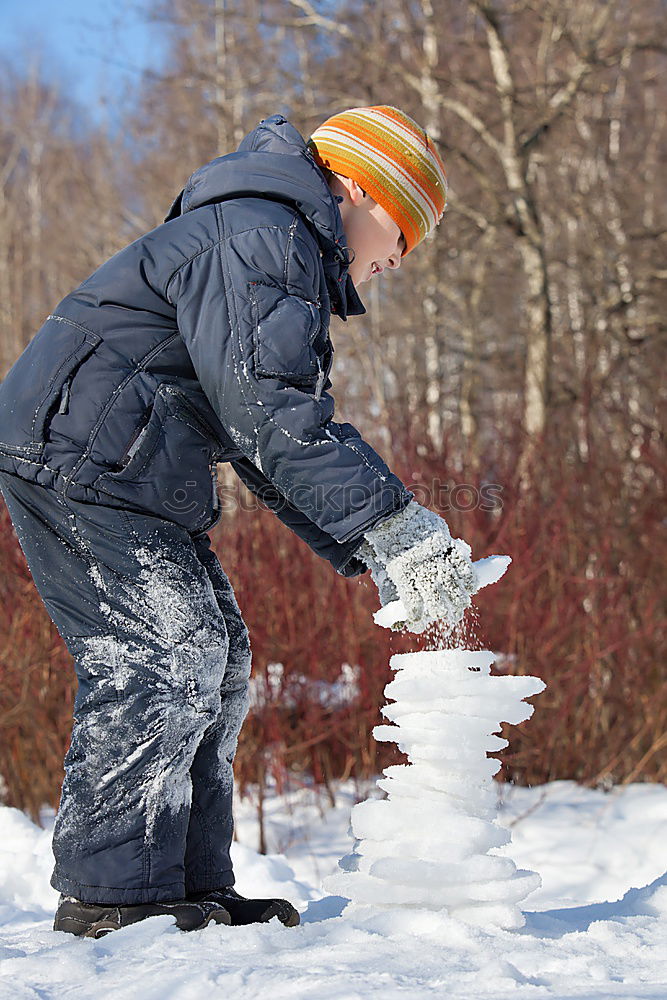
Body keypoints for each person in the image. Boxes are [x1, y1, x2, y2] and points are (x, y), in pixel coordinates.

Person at [0, 106, 477, 937]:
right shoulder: (261, 234)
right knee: (161, 658)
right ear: (359, 188)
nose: (393, 263)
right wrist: (396, 526)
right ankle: (115, 897)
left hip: (131, 466)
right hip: (77, 455)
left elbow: (266, 441)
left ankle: (185, 883)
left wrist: (375, 545)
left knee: (214, 663)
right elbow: (273, 416)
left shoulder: (269, 240)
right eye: (401, 236)